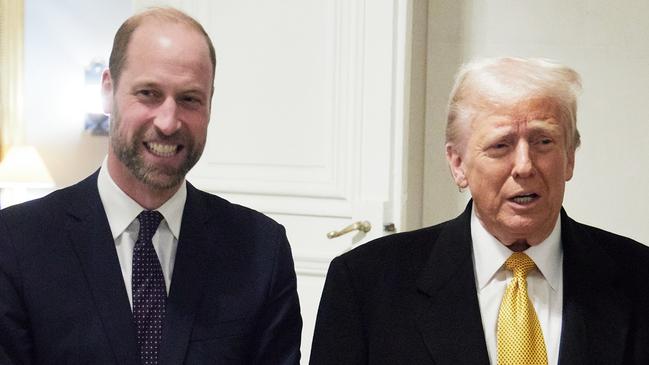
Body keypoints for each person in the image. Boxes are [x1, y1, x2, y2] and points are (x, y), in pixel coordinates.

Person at [0, 7, 301, 364]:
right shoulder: (17, 243)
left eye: (189, 98)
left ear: (210, 105)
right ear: (107, 91)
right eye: (148, 93)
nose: (169, 121)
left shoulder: (260, 250)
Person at [309, 57, 649, 365]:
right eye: (500, 145)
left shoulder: (639, 277)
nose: (524, 166)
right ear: (458, 164)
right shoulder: (366, 282)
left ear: (570, 157)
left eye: (543, 142)